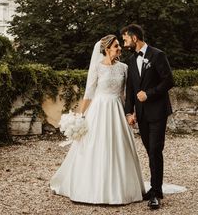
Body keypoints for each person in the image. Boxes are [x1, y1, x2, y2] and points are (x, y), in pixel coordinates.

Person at [50, 34, 145, 205]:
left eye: (119, 45)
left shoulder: (124, 67)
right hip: (99, 109)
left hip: (117, 108)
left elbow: (127, 94)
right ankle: (92, 188)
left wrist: (131, 113)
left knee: (119, 147)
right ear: (107, 48)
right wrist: (81, 115)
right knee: (95, 146)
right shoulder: (97, 68)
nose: (119, 48)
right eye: (116, 46)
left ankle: (122, 189)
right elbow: (89, 93)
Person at [123, 24, 174, 210]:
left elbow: (169, 80)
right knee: (149, 150)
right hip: (142, 114)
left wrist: (149, 94)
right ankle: (155, 188)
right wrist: (129, 112)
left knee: (155, 150)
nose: (124, 42)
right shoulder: (130, 60)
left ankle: (155, 192)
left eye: (126, 38)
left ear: (135, 38)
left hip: (158, 111)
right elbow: (130, 89)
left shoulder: (157, 55)